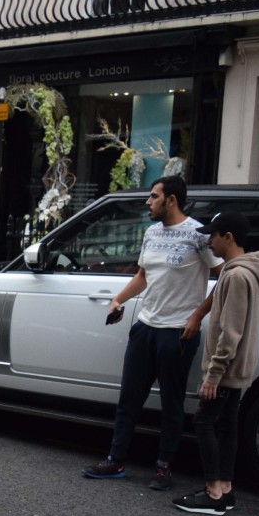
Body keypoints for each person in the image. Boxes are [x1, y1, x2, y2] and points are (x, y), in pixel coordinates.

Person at [82, 175, 222, 491]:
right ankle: (115, 460)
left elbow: (224, 276)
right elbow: (144, 276)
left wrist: (198, 315)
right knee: (129, 398)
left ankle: (163, 467)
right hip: (146, 326)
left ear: (170, 200)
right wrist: (118, 299)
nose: (148, 201)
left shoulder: (198, 236)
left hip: (178, 332)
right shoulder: (151, 232)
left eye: (153, 196)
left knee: (171, 403)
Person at [174, 212, 259, 515]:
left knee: (205, 423)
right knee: (228, 426)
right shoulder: (247, 272)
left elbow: (231, 332)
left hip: (226, 370)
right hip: (237, 369)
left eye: (214, 235)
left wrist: (213, 375)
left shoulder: (236, 275)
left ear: (228, 236)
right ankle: (225, 489)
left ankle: (213, 492)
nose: (210, 241)